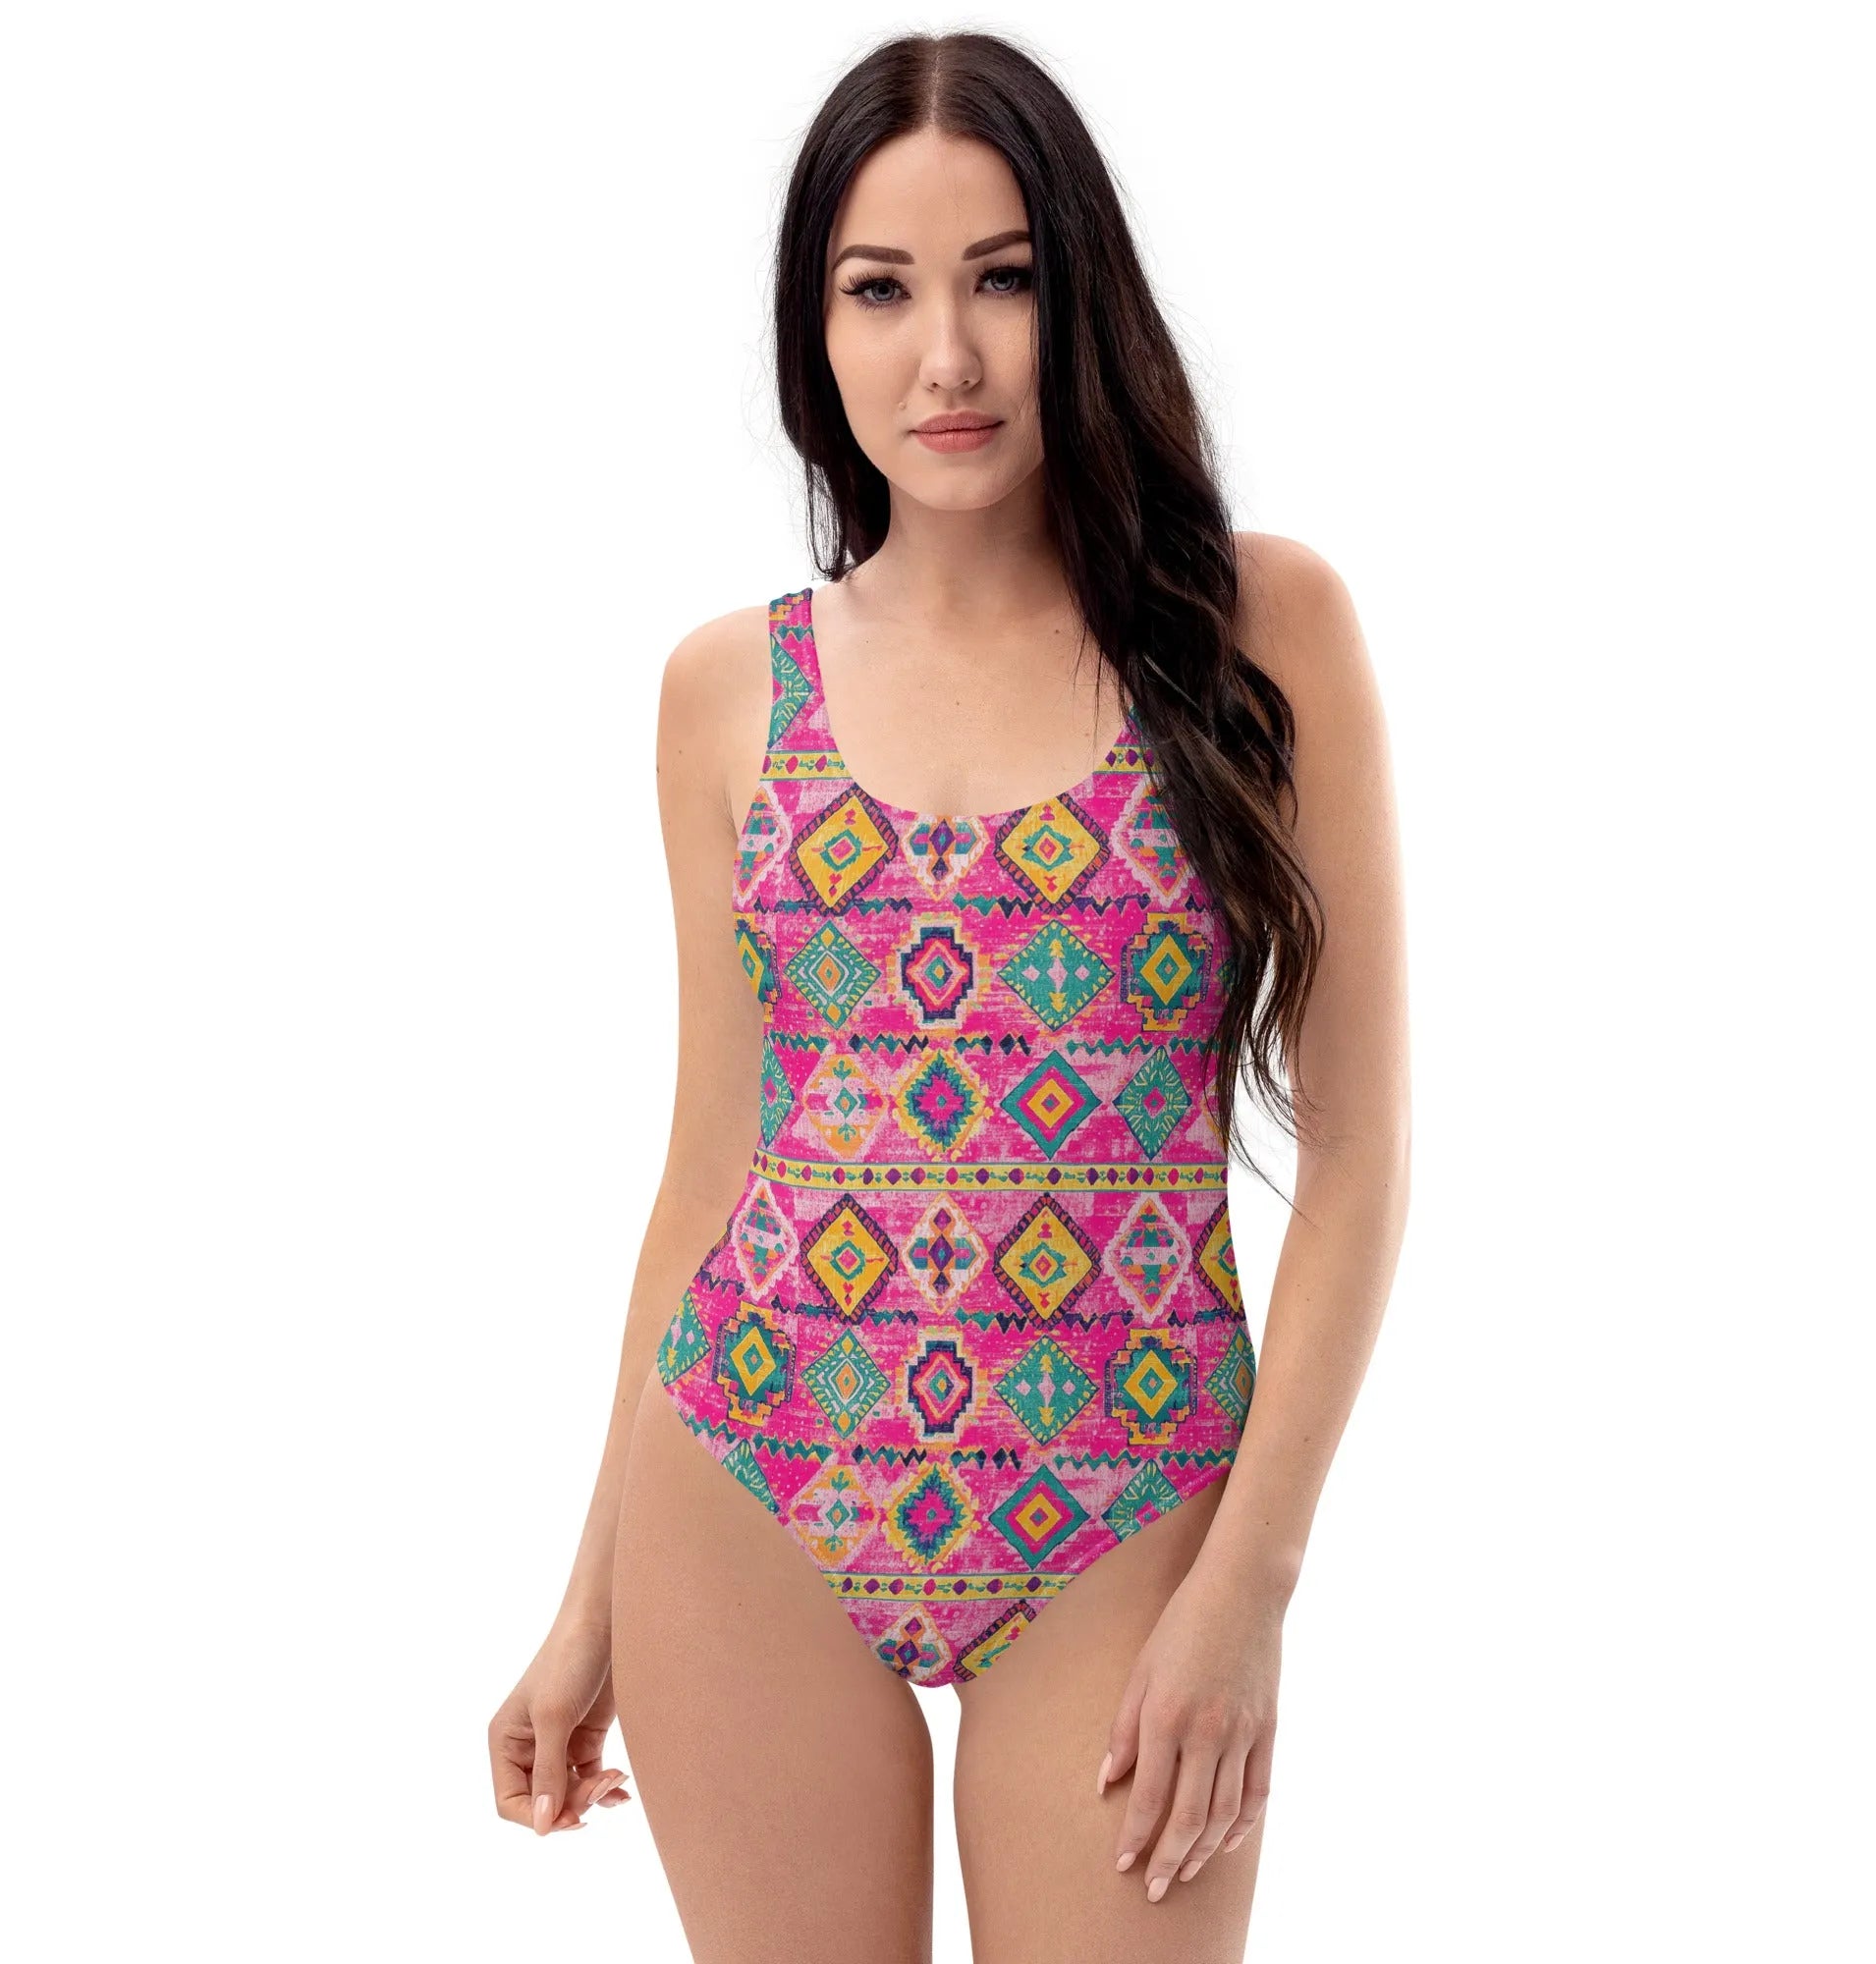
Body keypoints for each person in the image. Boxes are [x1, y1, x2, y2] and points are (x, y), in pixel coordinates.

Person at [488, 29, 1409, 1963]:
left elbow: (1357, 1159)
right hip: (749, 1481)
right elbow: (710, 1167)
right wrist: (590, 1602)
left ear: (1082, 294)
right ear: (811, 331)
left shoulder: (1261, 635)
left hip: (1128, 1501)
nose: (949, 358)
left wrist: (1249, 1592)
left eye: (1002, 277)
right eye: (879, 290)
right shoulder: (726, 692)